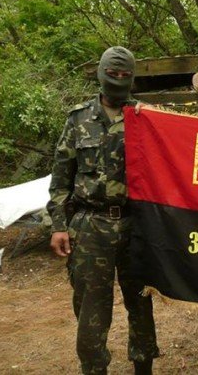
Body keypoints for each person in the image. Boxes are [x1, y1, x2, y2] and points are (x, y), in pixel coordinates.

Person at [47, 46, 159, 375]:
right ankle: (95, 369)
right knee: (91, 310)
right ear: (101, 73)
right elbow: (60, 179)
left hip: (136, 227)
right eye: (113, 74)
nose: (118, 79)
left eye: (125, 75)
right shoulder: (78, 119)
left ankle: (144, 368)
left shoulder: (144, 118)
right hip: (91, 227)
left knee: (141, 303)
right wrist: (58, 225)